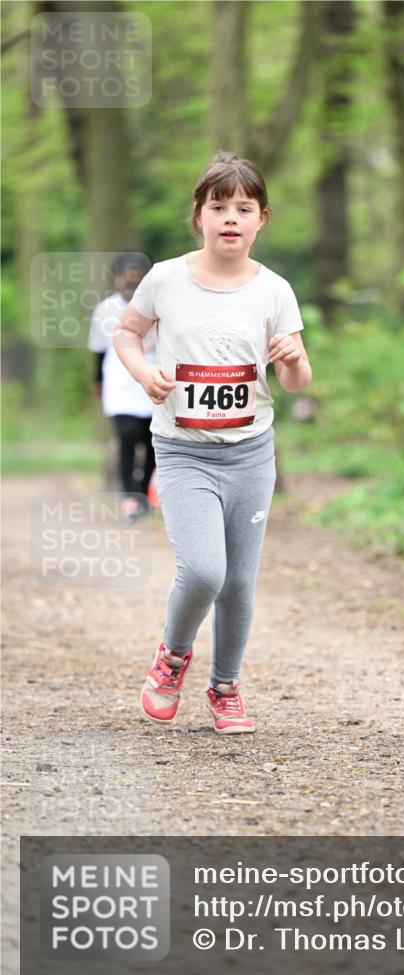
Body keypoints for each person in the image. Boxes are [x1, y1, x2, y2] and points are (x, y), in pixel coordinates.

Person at [113, 151, 312, 735]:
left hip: (250, 452)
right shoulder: (166, 279)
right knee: (204, 572)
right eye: (219, 206)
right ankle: (172, 657)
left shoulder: (275, 291)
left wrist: (293, 361)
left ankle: (226, 688)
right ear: (198, 215)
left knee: (240, 581)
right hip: (183, 451)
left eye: (244, 208)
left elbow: (297, 382)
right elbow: (127, 334)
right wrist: (142, 372)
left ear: (261, 220)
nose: (231, 218)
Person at [88, 252, 158, 523]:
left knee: (152, 442)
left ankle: (143, 496)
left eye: (136, 281)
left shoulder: (158, 307)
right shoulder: (105, 310)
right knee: (128, 437)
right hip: (119, 384)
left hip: (152, 381)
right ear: (117, 279)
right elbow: (99, 351)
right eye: (126, 280)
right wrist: (98, 381)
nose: (131, 286)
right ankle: (130, 498)